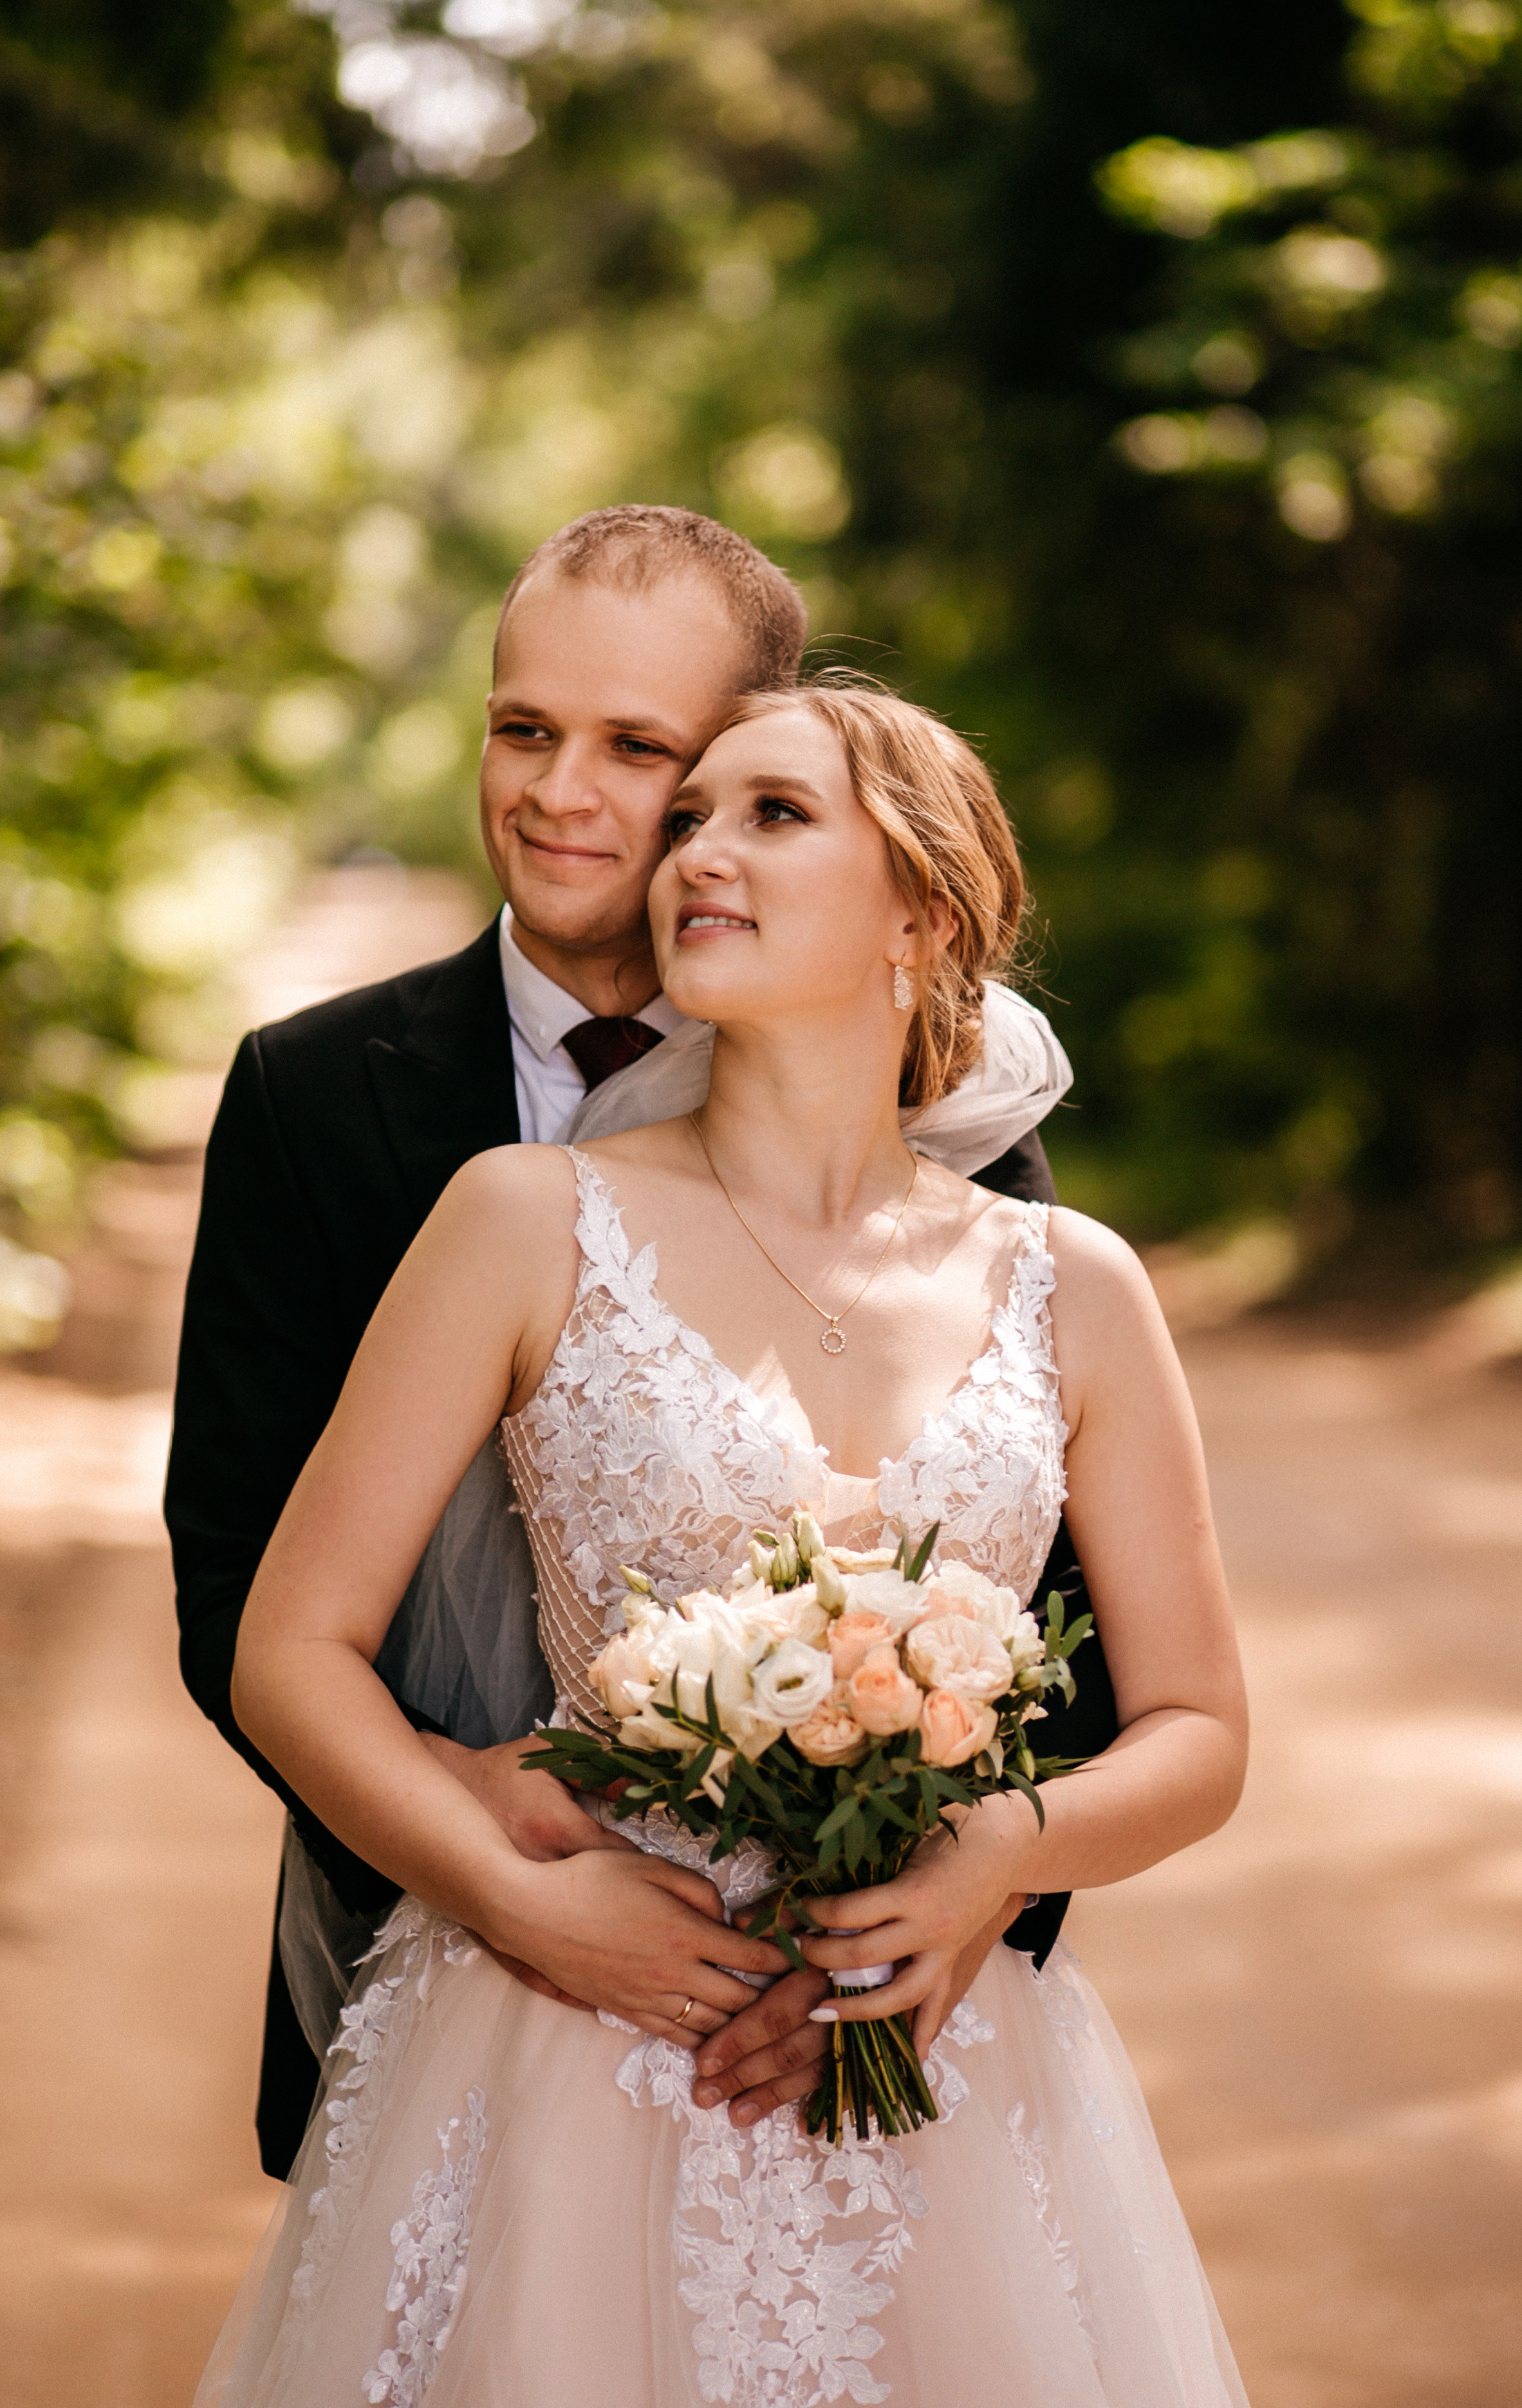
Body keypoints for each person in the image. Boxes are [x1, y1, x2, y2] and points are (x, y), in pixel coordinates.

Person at [194, 678, 1248, 2406]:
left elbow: (1203, 1731)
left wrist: (991, 1855)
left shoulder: (1077, 1290)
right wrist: (526, 1904)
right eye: (692, 820)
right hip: (566, 2049)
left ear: (922, 907)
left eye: (774, 815)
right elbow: (288, 1652)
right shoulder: (524, 1221)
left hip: (939, 2064)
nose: (697, 851)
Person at [167, 507, 1098, 2181]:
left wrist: (959, 1914)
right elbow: (237, 1570)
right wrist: (482, 1844)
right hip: (439, 1952)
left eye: (637, 748)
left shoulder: (936, 1113)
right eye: (522, 728)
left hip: (842, 2006)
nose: (557, 793)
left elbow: (1049, 1604)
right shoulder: (311, 1099)